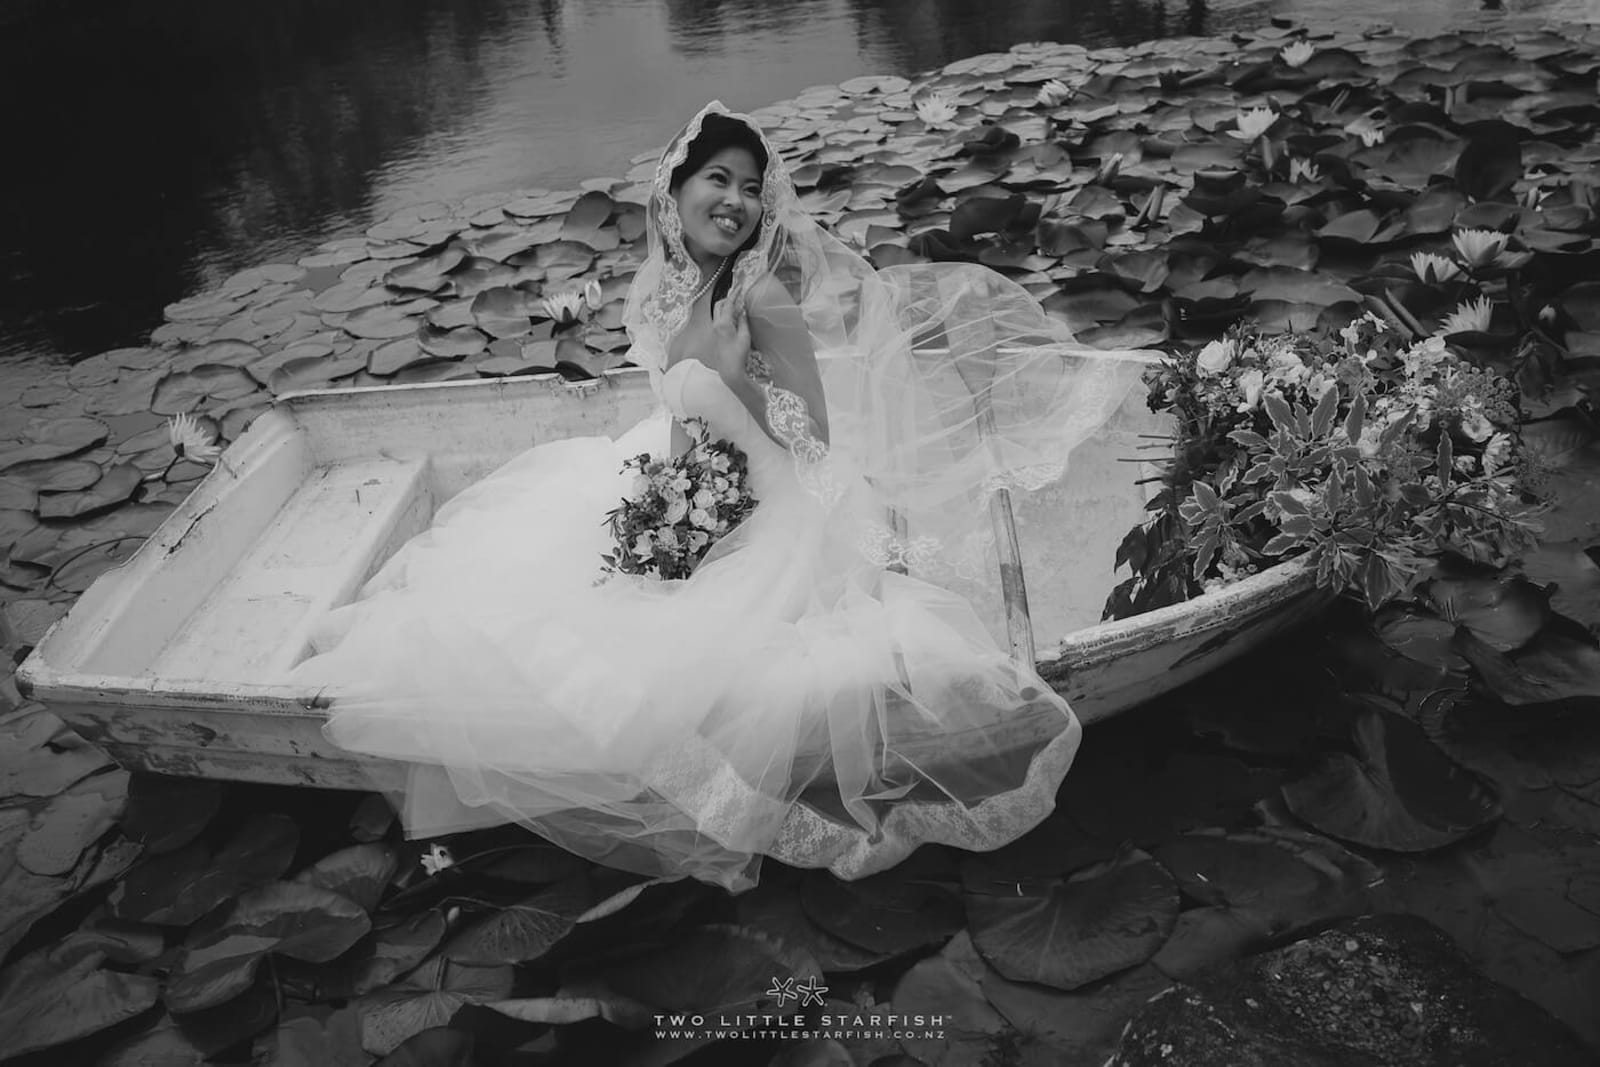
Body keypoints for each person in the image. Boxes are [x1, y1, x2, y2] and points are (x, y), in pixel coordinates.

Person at [291, 101, 1152, 893]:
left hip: (784, 504)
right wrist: (664, 511)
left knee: (691, 662)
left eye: (750, 187)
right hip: (696, 487)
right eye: (718, 179)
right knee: (526, 588)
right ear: (675, 191)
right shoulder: (669, 292)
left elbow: (814, 440)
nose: (735, 201)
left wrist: (740, 382)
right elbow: (680, 415)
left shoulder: (761, 295)